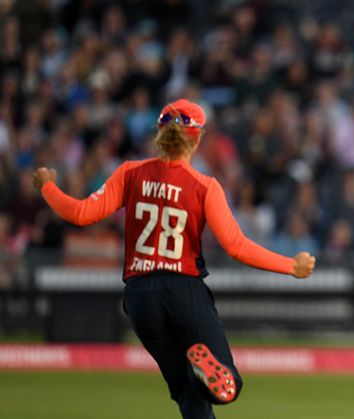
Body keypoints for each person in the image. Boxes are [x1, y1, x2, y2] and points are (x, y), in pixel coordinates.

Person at [32, 99, 316, 419]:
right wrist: (290, 266)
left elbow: (82, 213)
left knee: (187, 395)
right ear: (198, 137)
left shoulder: (130, 173)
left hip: (139, 296)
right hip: (183, 290)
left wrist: (48, 187)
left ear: (159, 133)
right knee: (227, 385)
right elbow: (236, 246)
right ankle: (208, 370)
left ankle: (198, 379)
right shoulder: (204, 187)